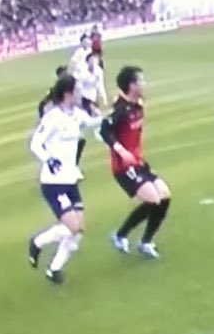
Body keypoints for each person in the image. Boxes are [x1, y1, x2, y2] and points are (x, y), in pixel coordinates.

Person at [25, 75, 97, 285]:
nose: (80, 94)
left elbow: (92, 123)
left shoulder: (77, 114)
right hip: (54, 183)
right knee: (73, 227)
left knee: (77, 232)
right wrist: (48, 159)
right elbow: (35, 143)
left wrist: (109, 117)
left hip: (70, 180)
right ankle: (37, 242)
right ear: (68, 94)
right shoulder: (53, 117)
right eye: (77, 90)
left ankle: (54, 269)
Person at [104, 66, 171, 259]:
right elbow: (104, 130)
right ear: (132, 86)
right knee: (153, 200)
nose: (144, 84)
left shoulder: (137, 105)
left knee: (165, 196)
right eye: (141, 81)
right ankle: (120, 235)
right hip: (123, 167)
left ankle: (145, 242)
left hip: (139, 162)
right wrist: (121, 151)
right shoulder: (120, 109)